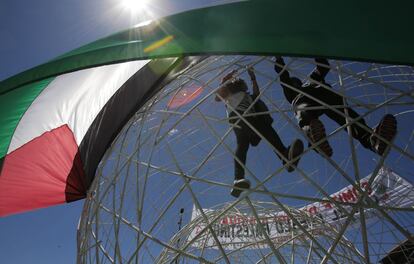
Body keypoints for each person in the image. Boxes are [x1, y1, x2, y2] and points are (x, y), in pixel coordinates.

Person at [274, 56, 397, 157]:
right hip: (303, 101)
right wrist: (279, 59)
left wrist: (315, 50)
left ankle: (371, 139)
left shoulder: (311, 80)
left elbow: (323, 66)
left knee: (344, 113)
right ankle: (313, 134)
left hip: (322, 93)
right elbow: (283, 75)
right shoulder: (291, 92)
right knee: (304, 111)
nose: (294, 83)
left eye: (295, 81)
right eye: (292, 82)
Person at [215, 67, 304, 198]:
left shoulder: (248, 96)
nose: (238, 83)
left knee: (246, 143)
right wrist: (226, 78)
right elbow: (218, 95)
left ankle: (239, 179)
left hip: (247, 120)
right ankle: (283, 156)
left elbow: (257, 94)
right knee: (261, 132)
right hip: (239, 117)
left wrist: (253, 78)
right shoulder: (228, 95)